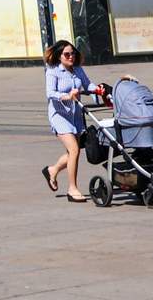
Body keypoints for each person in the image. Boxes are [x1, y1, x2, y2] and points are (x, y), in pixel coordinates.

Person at [42, 40, 98, 203]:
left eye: (73, 53)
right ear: (59, 56)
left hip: (75, 115)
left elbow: (88, 85)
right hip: (59, 115)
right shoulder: (53, 71)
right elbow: (50, 92)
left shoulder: (78, 70)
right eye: (67, 54)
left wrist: (100, 91)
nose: (71, 56)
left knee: (72, 152)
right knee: (74, 150)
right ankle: (72, 189)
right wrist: (66, 96)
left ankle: (53, 170)